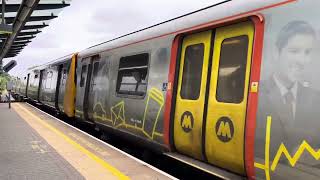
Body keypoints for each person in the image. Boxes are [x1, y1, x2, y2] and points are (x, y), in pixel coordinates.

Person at [256, 21, 320, 168]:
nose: (302, 60)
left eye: (307, 52)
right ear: (276, 52)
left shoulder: (317, 99)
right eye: (294, 51)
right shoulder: (255, 95)